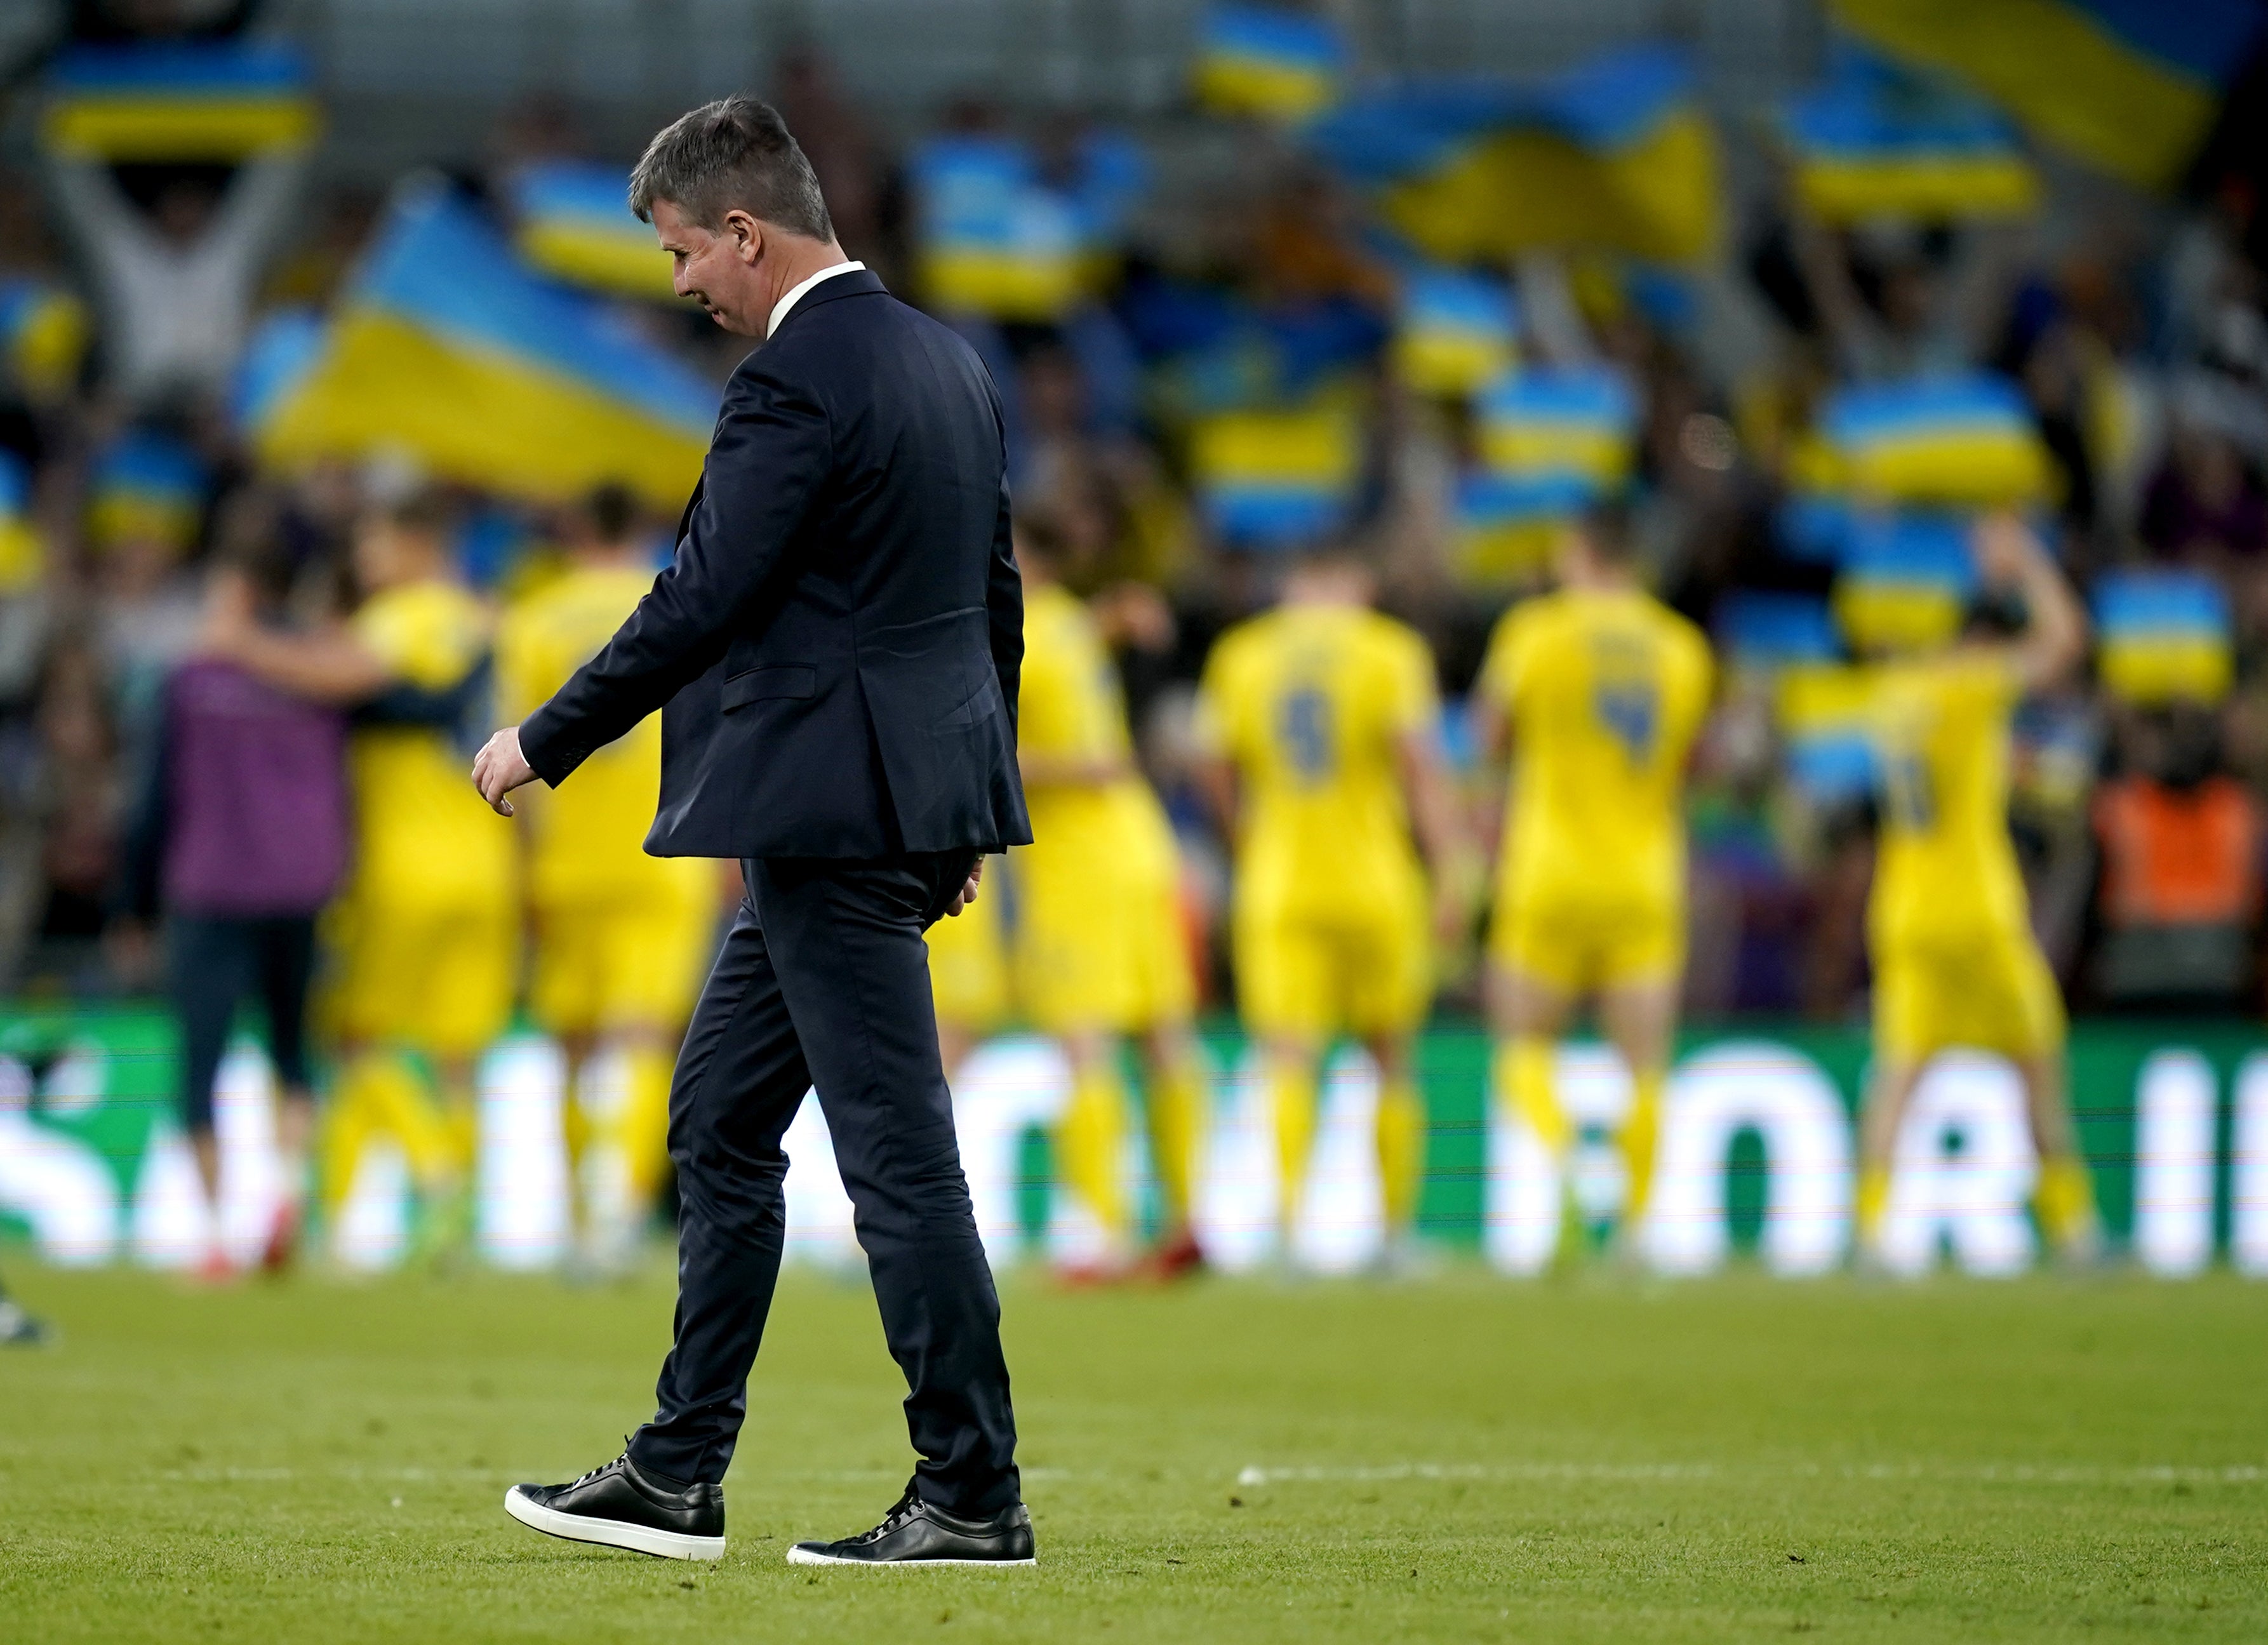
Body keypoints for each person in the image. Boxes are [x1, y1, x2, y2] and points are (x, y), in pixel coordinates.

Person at [472, 97, 1033, 1568]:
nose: (679, 287)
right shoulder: (946, 365)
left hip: (827, 811)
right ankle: (675, 1471)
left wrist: (546, 737)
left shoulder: (793, 384)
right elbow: (993, 603)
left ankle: (972, 1492)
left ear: (742, 229)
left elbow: (701, 597)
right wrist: (964, 803)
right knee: (718, 1118)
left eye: (677, 253)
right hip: (886, 803)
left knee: (895, 1157)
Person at [206, 488, 514, 1267]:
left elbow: (335, 677)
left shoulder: (402, 619)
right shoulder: (490, 624)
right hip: (486, 863)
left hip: (399, 863)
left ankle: (432, 1175)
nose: (364, 561)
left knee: (355, 1039)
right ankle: (445, 1227)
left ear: (416, 540)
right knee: (456, 1051)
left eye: (374, 542)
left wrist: (238, 641)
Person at [1191, 548, 1467, 1272]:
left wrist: (1245, 836)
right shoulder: (1389, 651)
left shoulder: (1243, 654)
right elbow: (1420, 770)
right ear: (1358, 580)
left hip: (1280, 881)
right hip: (1375, 881)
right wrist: (1450, 874)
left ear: (1290, 582)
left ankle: (1286, 1230)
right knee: (1391, 1058)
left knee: (1287, 1056)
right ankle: (1393, 1235)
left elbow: (1212, 764)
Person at [1857, 512, 2100, 1267]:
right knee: (2035, 1061)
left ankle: (1868, 1233)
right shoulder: (1971, 684)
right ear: (1981, 640)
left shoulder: (1898, 692)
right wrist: (2025, 560)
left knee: (1898, 1073)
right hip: (1976, 907)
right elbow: (2064, 643)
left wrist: (2016, 768)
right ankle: (2071, 1226)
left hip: (1903, 909)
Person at [1472, 505, 1713, 1261]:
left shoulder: (1535, 632)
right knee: (1642, 1061)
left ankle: (1569, 1162)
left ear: (1576, 554)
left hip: (1546, 870)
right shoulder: (1680, 647)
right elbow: (1686, 762)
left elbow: (1489, 737)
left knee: (1521, 1046)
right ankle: (1638, 1227)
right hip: (1642, 874)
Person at [497, 484, 718, 1274]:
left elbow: (510, 752)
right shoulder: (688, 600)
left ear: (575, 527)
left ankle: (572, 1212)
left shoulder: (531, 620)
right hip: (668, 855)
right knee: (644, 1036)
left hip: (566, 863)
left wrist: (520, 872)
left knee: (572, 1045)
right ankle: (619, 1213)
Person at [117, 533, 350, 1279]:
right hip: (300, 880)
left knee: (202, 1060)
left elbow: (153, 797)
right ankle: (285, 1193)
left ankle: (217, 1236)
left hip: (211, 883)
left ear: (242, 591)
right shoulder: (324, 672)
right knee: (292, 1047)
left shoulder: (192, 677)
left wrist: (131, 901)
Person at [1011, 522, 1206, 1281]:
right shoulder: (1066, 621)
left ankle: (1103, 1231)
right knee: (1164, 1036)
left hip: (1078, 866)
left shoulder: (1004, 633)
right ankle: (1187, 1221)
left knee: (1083, 1042)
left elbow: (1007, 750)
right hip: (1144, 846)